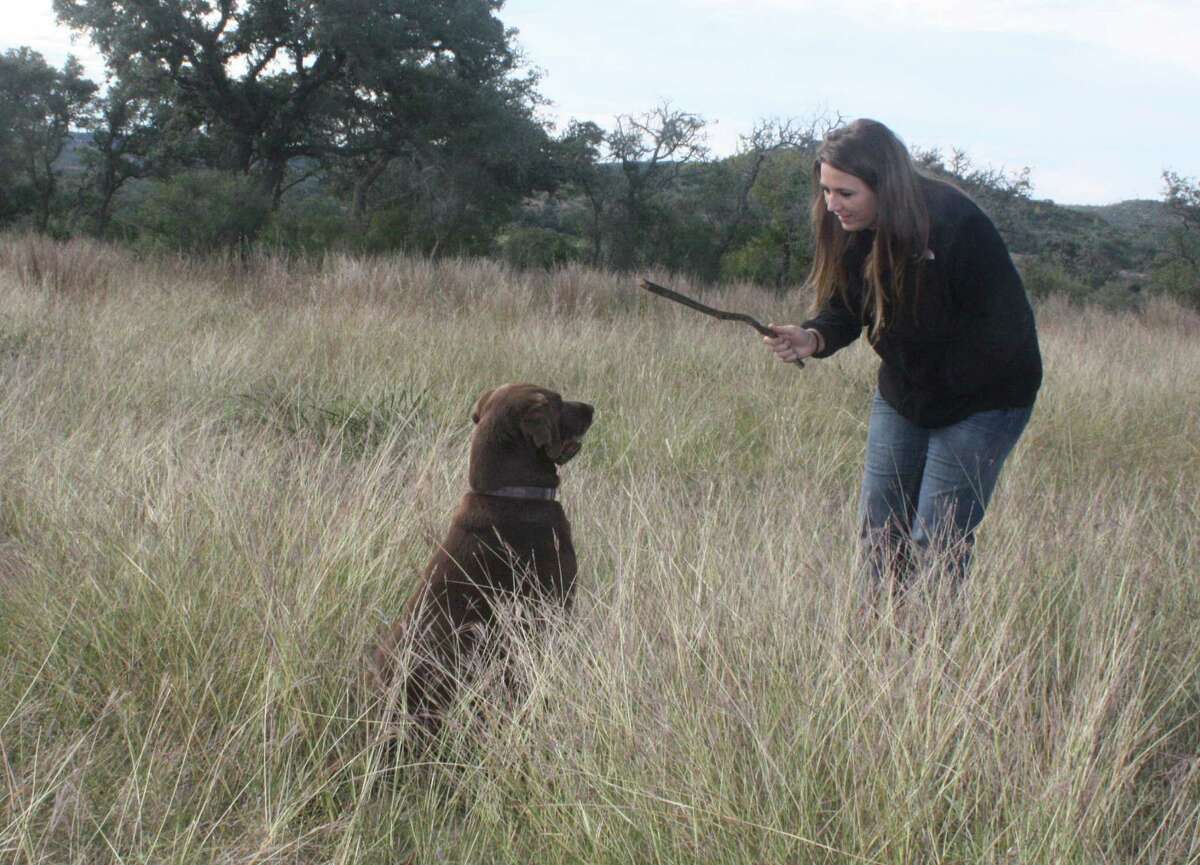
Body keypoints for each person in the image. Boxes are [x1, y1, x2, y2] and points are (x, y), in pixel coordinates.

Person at [764, 118, 1041, 594]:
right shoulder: (851, 229)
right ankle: (879, 643)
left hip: (985, 400)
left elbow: (1004, 334)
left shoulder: (956, 224)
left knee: (938, 538)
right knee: (880, 528)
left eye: (845, 193)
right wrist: (812, 337)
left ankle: (930, 654)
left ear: (884, 184)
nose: (832, 206)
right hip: (905, 392)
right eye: (826, 191)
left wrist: (941, 393)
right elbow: (845, 309)